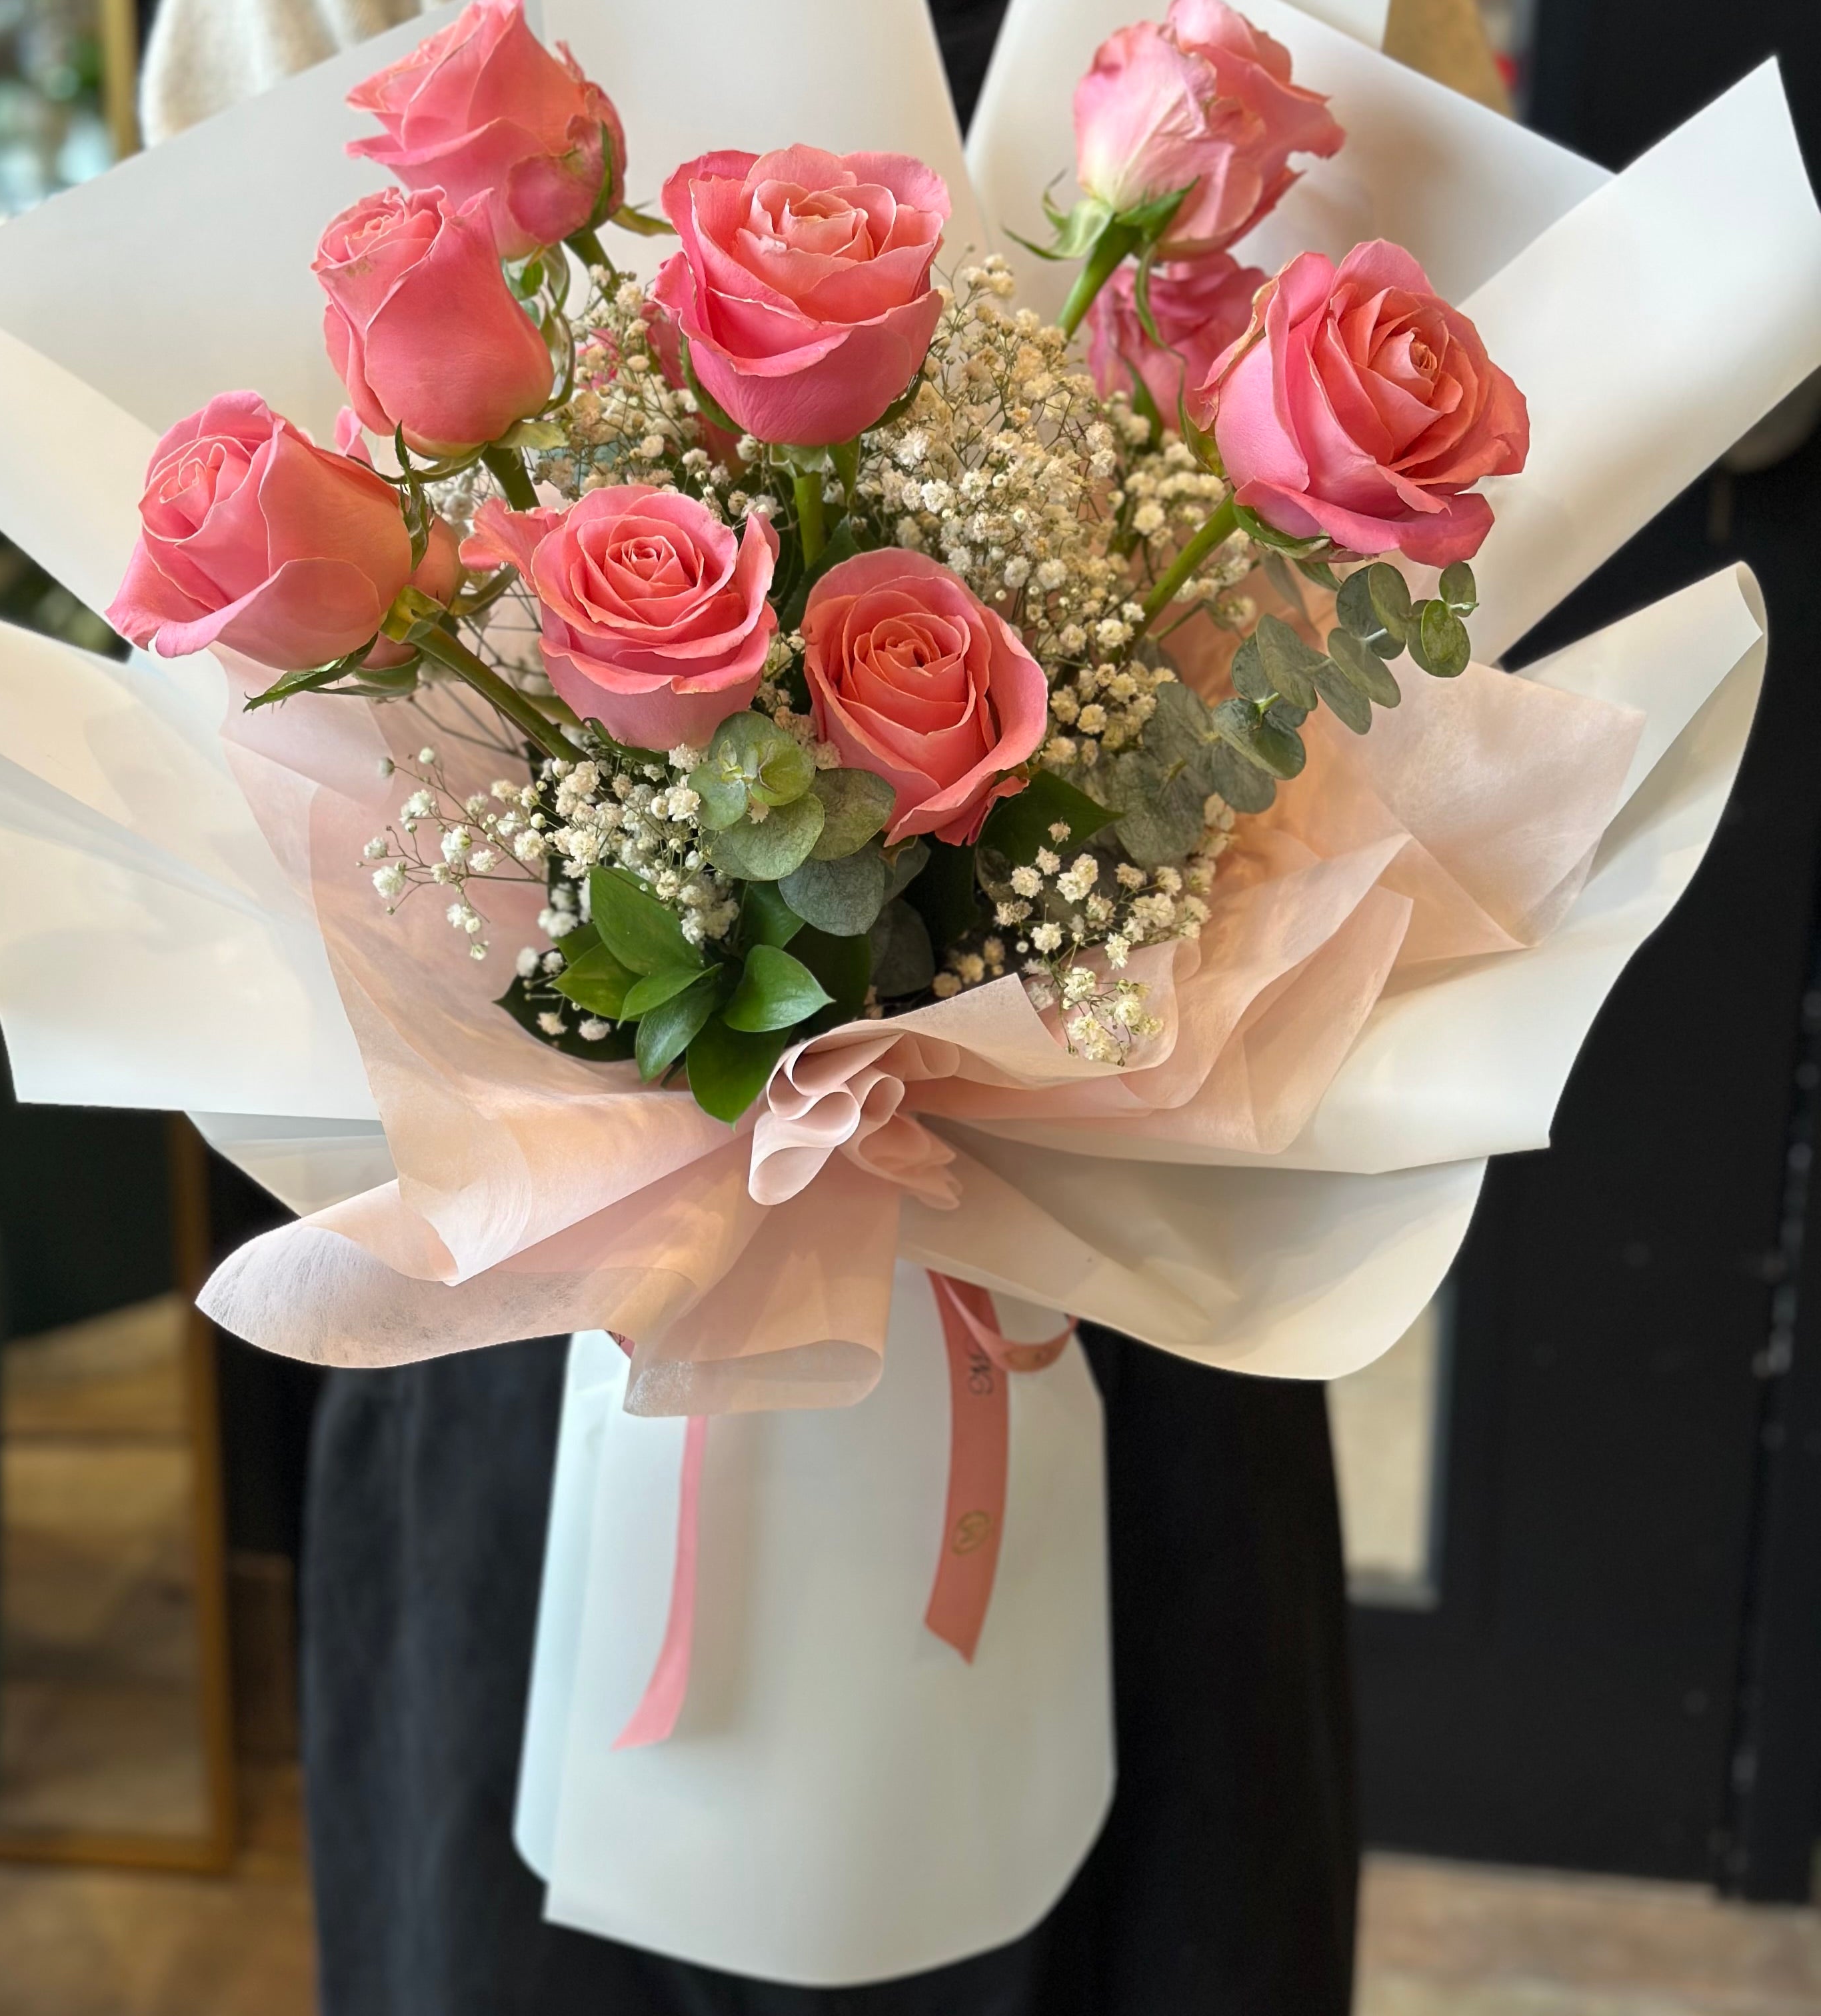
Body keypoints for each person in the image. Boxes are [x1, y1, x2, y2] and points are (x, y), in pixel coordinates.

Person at [146, 2, 1511, 2007]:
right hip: (560, 1276)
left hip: (1111, 1244)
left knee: (1155, 1912)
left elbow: (1470, 258)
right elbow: (228, 333)